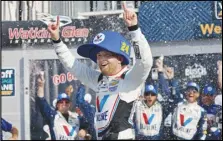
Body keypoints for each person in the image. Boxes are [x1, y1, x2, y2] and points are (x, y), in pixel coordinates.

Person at [47, 3, 153, 140]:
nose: (101, 59)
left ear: (120, 58)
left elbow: (145, 62)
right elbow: (73, 65)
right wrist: (57, 40)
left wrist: (134, 29)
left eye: (106, 54)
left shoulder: (130, 78)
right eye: (98, 55)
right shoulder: (99, 80)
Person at [36, 72, 89, 140]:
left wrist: (84, 131)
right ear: (57, 104)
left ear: (69, 104)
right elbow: (42, 102)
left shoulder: (77, 117)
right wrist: (41, 86)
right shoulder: (52, 116)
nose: (64, 103)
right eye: (61, 102)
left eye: (66, 102)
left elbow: (88, 126)